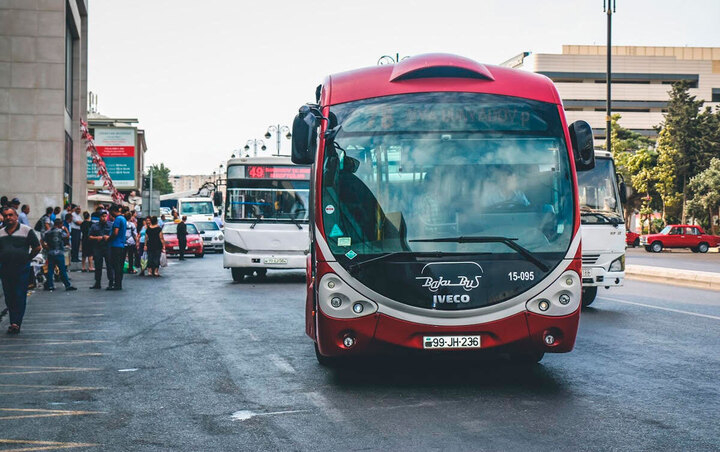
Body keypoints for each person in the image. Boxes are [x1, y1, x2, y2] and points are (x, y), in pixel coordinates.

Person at [0, 207, 42, 334]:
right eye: (6, 215)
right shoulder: (1, 233)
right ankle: (13, 320)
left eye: (11, 215)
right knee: (9, 295)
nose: (8, 218)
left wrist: (28, 258)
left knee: (19, 294)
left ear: (16, 216)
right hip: (5, 268)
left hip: (21, 268)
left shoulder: (26, 230)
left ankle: (16, 322)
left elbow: (37, 247)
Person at [43, 219, 77, 291]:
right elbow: (67, 236)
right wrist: (66, 229)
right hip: (59, 252)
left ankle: (50, 285)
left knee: (50, 270)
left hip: (51, 252)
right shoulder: (60, 231)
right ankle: (67, 285)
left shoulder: (48, 232)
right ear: (59, 224)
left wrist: (46, 247)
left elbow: (43, 240)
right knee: (62, 270)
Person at [88, 211, 112, 289]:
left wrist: (108, 237)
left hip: (108, 247)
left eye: (105, 216)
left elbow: (114, 234)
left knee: (109, 265)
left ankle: (111, 282)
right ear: (99, 217)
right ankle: (97, 282)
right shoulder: (94, 226)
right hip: (98, 247)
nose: (104, 218)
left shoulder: (110, 225)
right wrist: (96, 238)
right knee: (98, 266)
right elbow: (89, 236)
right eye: (102, 216)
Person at [107, 205, 127, 290]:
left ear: (113, 211)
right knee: (119, 265)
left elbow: (115, 232)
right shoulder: (123, 219)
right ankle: (118, 283)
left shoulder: (118, 219)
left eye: (110, 213)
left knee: (115, 265)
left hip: (116, 245)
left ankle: (116, 284)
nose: (110, 215)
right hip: (121, 245)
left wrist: (109, 239)